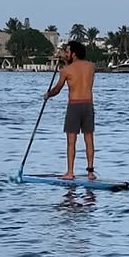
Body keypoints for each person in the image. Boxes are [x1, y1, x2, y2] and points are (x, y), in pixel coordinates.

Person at [44, 41, 96, 180]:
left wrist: (48, 94)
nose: (66, 54)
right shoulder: (91, 66)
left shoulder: (65, 71)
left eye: (67, 52)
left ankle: (70, 172)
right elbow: (77, 70)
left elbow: (57, 89)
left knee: (71, 141)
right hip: (88, 105)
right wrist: (66, 61)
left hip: (74, 106)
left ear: (73, 53)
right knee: (89, 139)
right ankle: (90, 172)